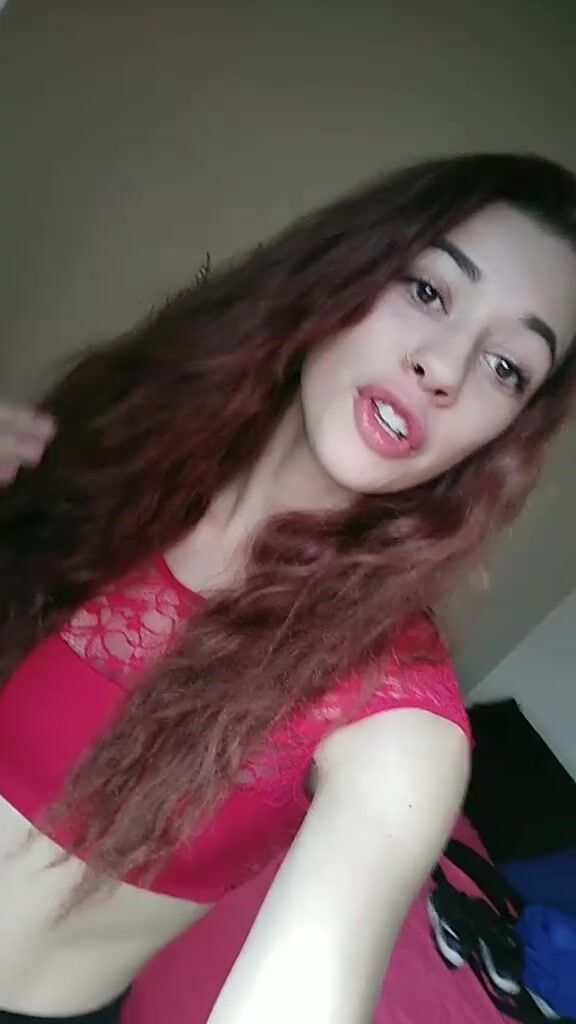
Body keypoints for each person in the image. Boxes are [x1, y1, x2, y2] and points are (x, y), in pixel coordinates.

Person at [0, 152, 575, 1024]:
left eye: (507, 368)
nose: (445, 367)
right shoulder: (114, 441)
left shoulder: (396, 720)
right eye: (429, 291)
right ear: (348, 270)